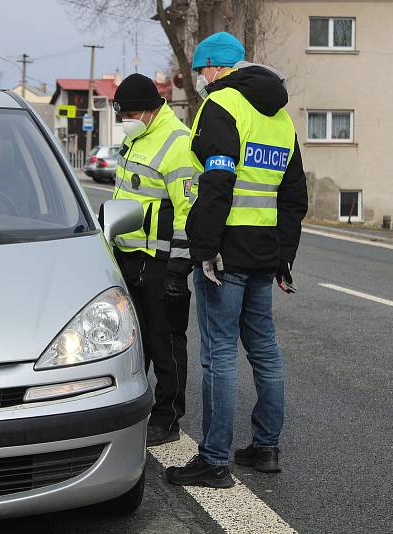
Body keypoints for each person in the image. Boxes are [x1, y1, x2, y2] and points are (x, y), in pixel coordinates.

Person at [165, 32, 308, 488]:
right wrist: (284, 255)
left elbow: (218, 183)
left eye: (202, 70)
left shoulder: (221, 105)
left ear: (213, 67)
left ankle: (213, 460)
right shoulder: (281, 119)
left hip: (225, 253)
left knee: (219, 355)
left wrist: (203, 249)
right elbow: (293, 196)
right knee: (264, 350)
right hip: (264, 251)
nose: (201, 78)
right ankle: (265, 448)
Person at [110, 73, 196, 446]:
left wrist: (179, 264)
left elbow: (187, 210)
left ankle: (168, 417)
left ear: (149, 110)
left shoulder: (176, 142)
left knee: (166, 341)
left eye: (129, 113)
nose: (124, 120)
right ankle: (138, 409)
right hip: (130, 258)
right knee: (134, 342)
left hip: (161, 262)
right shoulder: (136, 138)